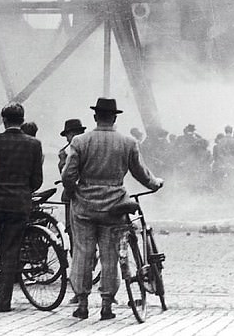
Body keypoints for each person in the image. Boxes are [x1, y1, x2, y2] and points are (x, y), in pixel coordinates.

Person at [61, 97, 163, 321]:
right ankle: (107, 305)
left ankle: (83, 304)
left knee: (82, 254)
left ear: (96, 117)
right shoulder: (128, 142)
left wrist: (76, 191)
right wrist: (155, 183)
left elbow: (68, 176)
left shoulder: (80, 141)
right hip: (115, 207)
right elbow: (141, 173)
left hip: (84, 207)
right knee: (110, 258)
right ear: (115, 117)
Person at [0, 102, 44, 312]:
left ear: (4, 120)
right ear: (22, 120)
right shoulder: (34, 144)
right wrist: (23, 190)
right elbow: (37, 181)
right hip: (19, 205)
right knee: (11, 252)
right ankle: (4, 301)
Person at [57, 118, 86, 304]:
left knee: (79, 241)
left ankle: (80, 286)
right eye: (70, 134)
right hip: (74, 198)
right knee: (73, 237)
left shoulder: (81, 148)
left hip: (77, 197)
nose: (72, 136)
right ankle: (79, 281)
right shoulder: (64, 152)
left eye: (74, 133)